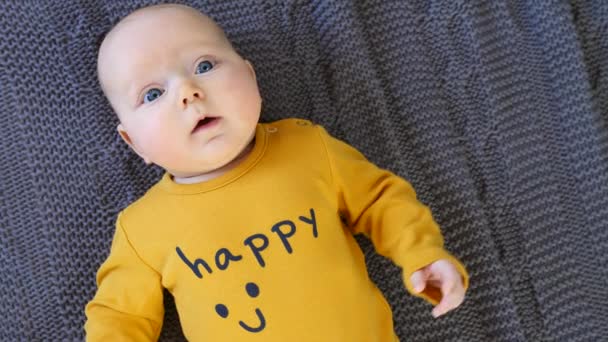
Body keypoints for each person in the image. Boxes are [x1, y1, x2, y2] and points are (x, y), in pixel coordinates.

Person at [85, 3, 469, 341]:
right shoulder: (142, 229)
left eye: (204, 65)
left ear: (251, 78)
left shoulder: (308, 148)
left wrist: (422, 252)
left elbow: (380, 200)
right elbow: (121, 315)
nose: (188, 90)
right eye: (152, 94)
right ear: (133, 142)